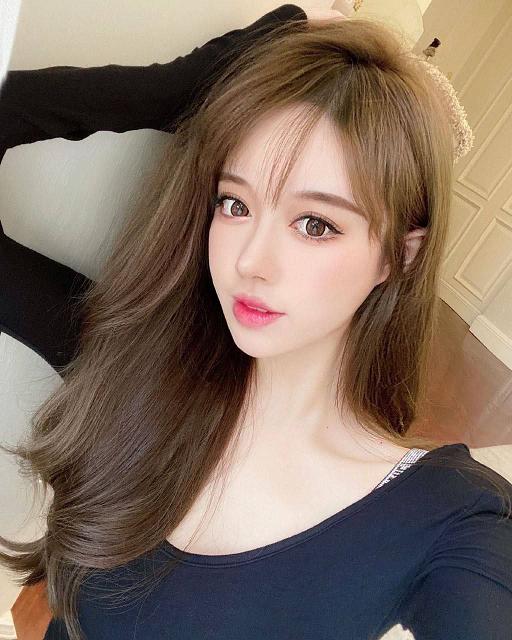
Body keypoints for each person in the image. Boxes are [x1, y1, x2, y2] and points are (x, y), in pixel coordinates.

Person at [0, 5, 511, 640]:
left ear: (397, 256)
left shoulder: (449, 520)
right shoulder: (129, 365)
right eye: (235, 203)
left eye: (315, 223)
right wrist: (183, 82)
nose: (250, 262)